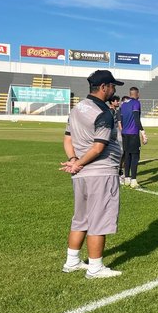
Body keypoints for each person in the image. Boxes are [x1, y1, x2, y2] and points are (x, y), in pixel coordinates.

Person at [59, 70, 124, 279]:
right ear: (104, 87)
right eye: (113, 86)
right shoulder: (103, 112)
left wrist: (73, 161)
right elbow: (98, 147)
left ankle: (72, 261)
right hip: (101, 171)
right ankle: (95, 267)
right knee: (99, 219)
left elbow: (68, 139)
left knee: (81, 218)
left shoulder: (77, 108)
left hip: (82, 174)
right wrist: (78, 163)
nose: (114, 91)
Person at [119, 87, 147, 189]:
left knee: (127, 156)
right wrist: (143, 132)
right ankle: (134, 180)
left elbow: (121, 120)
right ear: (137, 94)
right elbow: (136, 118)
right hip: (133, 133)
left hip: (125, 133)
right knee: (135, 157)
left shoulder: (124, 104)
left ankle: (126, 178)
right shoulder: (136, 103)